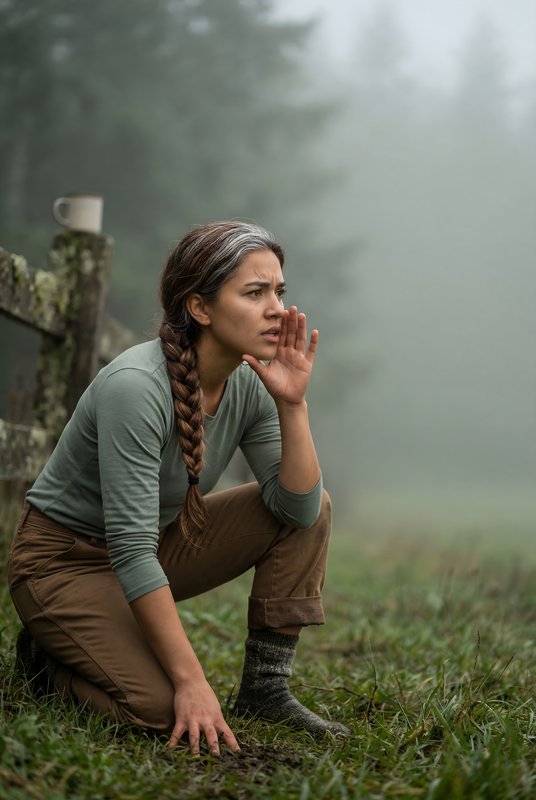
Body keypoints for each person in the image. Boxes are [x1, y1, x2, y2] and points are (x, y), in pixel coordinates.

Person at [8, 220, 349, 756]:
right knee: (164, 710)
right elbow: (131, 549)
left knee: (317, 503)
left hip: (154, 546)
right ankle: (47, 664)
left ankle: (265, 690)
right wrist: (193, 682)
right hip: (63, 564)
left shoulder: (250, 384)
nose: (277, 310)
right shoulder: (135, 387)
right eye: (254, 293)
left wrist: (293, 404)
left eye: (279, 292)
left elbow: (299, 512)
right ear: (200, 307)